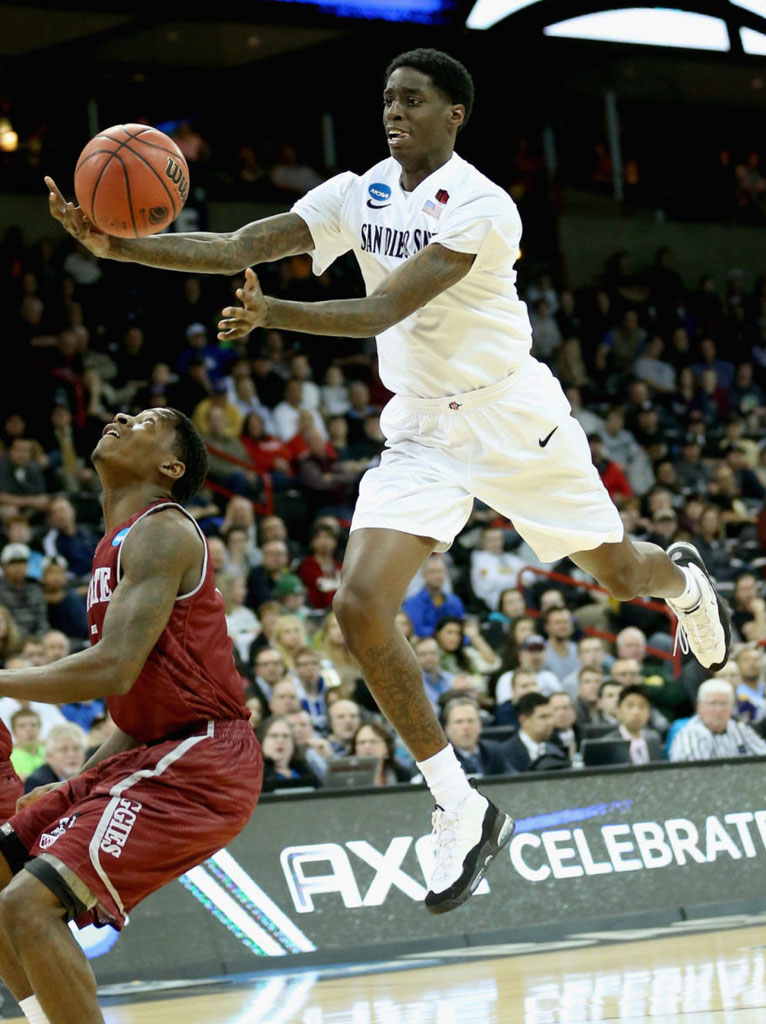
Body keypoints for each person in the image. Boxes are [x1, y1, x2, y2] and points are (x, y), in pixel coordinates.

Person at [46, 47, 729, 918]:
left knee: (620, 575)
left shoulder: (485, 206)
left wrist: (273, 314)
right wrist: (122, 244)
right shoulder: (356, 192)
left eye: (413, 99)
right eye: (387, 99)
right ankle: (459, 803)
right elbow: (242, 246)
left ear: (455, 116)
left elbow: (380, 310)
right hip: (422, 428)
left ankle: (683, 581)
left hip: (512, 417)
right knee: (358, 607)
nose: (394, 111)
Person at [0, 407, 262, 1024]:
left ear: (171, 467)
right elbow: (135, 701)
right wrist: (83, 780)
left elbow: (112, 668)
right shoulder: (113, 543)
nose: (121, 416)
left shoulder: (163, 529)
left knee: (28, 906)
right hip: (150, 749)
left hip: (202, 759)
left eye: (145, 421)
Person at [669, 679, 766, 761]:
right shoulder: (690, 735)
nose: (718, 710)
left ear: (732, 708)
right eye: (713, 703)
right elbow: (697, 775)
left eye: (724, 704)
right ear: (700, 708)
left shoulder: (739, 729)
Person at [441, 694, 511, 777]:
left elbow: (514, 780)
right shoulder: (441, 759)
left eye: (470, 721)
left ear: (480, 725)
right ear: (447, 728)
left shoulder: (494, 751)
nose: (466, 727)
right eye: (459, 722)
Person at [500, 693, 571, 772]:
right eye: (543, 717)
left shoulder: (556, 751)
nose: (550, 722)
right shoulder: (504, 754)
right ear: (524, 720)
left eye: (550, 716)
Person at [602, 685, 665, 763]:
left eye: (642, 706)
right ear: (618, 710)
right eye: (630, 706)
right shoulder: (608, 744)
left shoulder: (654, 739)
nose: (636, 712)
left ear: (649, 712)